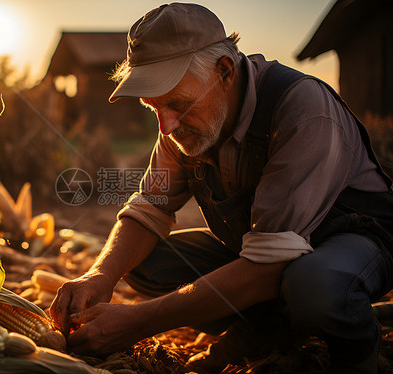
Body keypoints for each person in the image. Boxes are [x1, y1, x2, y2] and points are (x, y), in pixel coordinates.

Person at [50, 3, 393, 373]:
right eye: (154, 108)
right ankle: (267, 328)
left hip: (353, 240)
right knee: (144, 263)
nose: (165, 126)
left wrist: (139, 321)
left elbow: (268, 266)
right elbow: (148, 207)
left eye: (177, 104)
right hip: (264, 252)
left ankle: (360, 353)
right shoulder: (182, 124)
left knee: (316, 287)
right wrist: (99, 274)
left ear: (225, 72)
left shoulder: (303, 109)